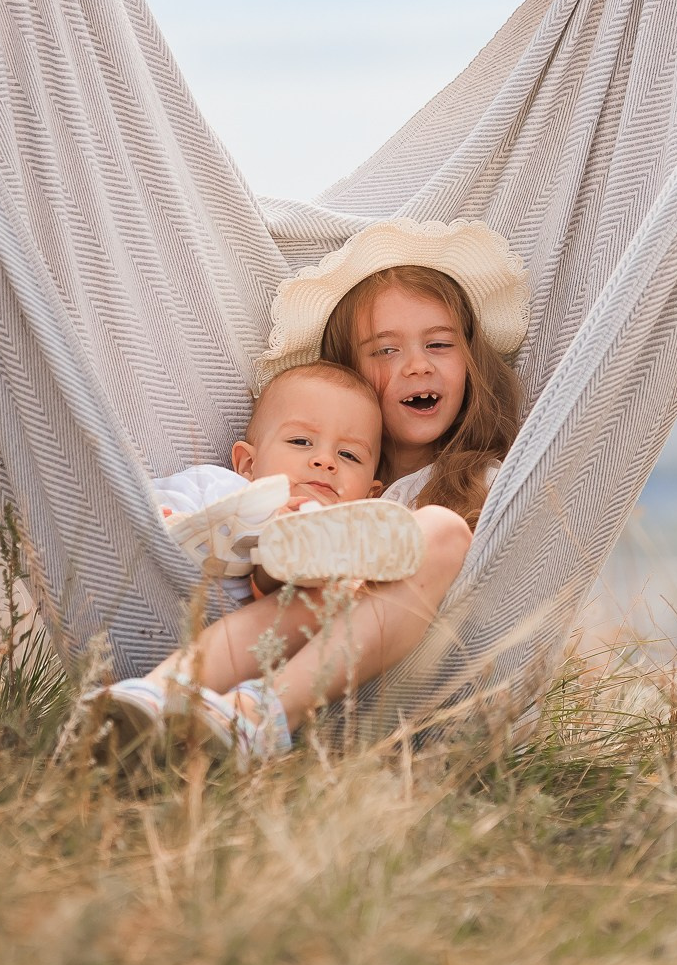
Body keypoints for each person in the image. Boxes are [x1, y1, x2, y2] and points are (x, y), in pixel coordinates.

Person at [87, 219, 527, 763]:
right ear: (351, 373)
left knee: (438, 529)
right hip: (295, 647)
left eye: (438, 344)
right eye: (385, 351)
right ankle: (159, 693)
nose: (417, 365)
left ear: (470, 361)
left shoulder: (485, 482)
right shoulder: (307, 482)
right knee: (320, 577)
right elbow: (246, 567)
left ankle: (260, 713)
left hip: (402, 683)